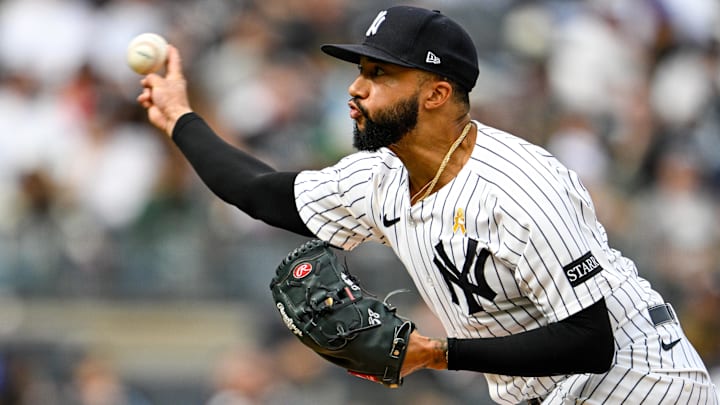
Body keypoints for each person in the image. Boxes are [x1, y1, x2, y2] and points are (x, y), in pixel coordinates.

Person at [137, 6, 718, 405]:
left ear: (437, 93)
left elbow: (591, 340)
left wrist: (433, 353)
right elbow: (261, 193)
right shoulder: (381, 178)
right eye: (360, 70)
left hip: (643, 386)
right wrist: (179, 118)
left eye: (380, 74)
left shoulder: (521, 187)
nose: (355, 88)